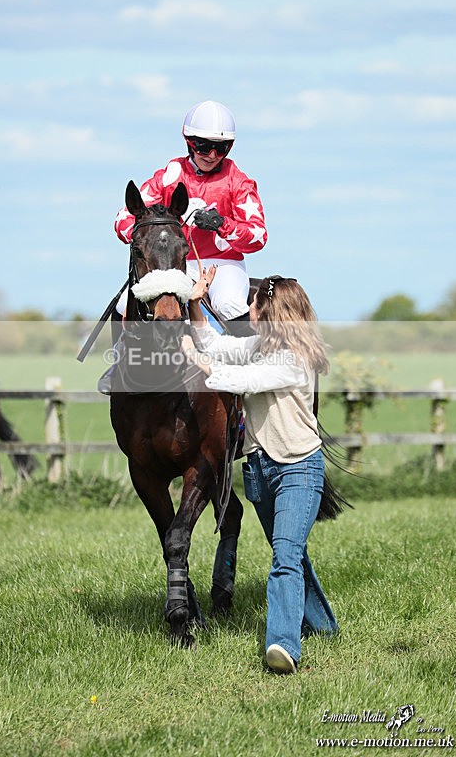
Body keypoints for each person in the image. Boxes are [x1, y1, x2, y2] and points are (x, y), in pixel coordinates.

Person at [181, 270, 338, 674]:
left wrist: (195, 359)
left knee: (285, 556)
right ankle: (323, 626)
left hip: (298, 469)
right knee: (291, 553)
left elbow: (242, 380)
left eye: (254, 302)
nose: (248, 306)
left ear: (271, 311)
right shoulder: (260, 345)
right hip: (260, 471)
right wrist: (196, 303)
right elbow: (217, 344)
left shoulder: (294, 359)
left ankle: (282, 645)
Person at [98, 100, 268, 394]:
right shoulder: (169, 175)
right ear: (189, 141)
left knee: (228, 303)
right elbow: (123, 219)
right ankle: (119, 363)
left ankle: (249, 377)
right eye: (204, 146)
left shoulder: (239, 182)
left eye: (221, 148)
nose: (212, 155)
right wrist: (145, 235)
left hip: (222, 264)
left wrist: (222, 224)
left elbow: (258, 235)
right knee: (125, 302)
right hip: (173, 263)